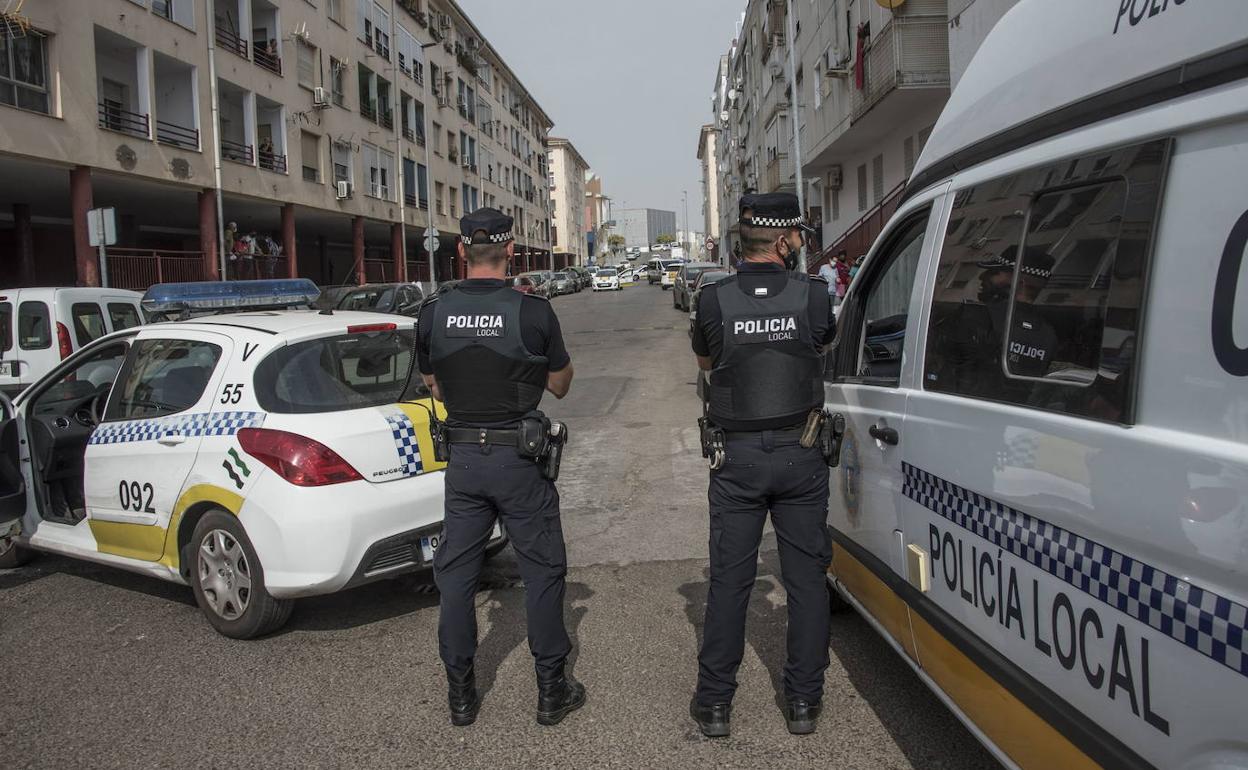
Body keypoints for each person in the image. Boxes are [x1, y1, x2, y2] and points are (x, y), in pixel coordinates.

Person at [417, 207, 585, 728]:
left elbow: (434, 386)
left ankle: (461, 695)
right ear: (511, 252)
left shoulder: (432, 312)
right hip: (519, 459)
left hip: (464, 460)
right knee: (542, 570)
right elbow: (560, 384)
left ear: (462, 252)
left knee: (457, 575)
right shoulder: (532, 311)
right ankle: (551, 691)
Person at [689, 192, 837, 738]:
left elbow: (708, 363)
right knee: (804, 580)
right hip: (801, 453)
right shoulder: (814, 296)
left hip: (737, 459)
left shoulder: (712, 299)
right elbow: (819, 350)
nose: (799, 244)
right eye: (796, 236)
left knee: (729, 582)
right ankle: (803, 702)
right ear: (780, 241)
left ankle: (714, 705)